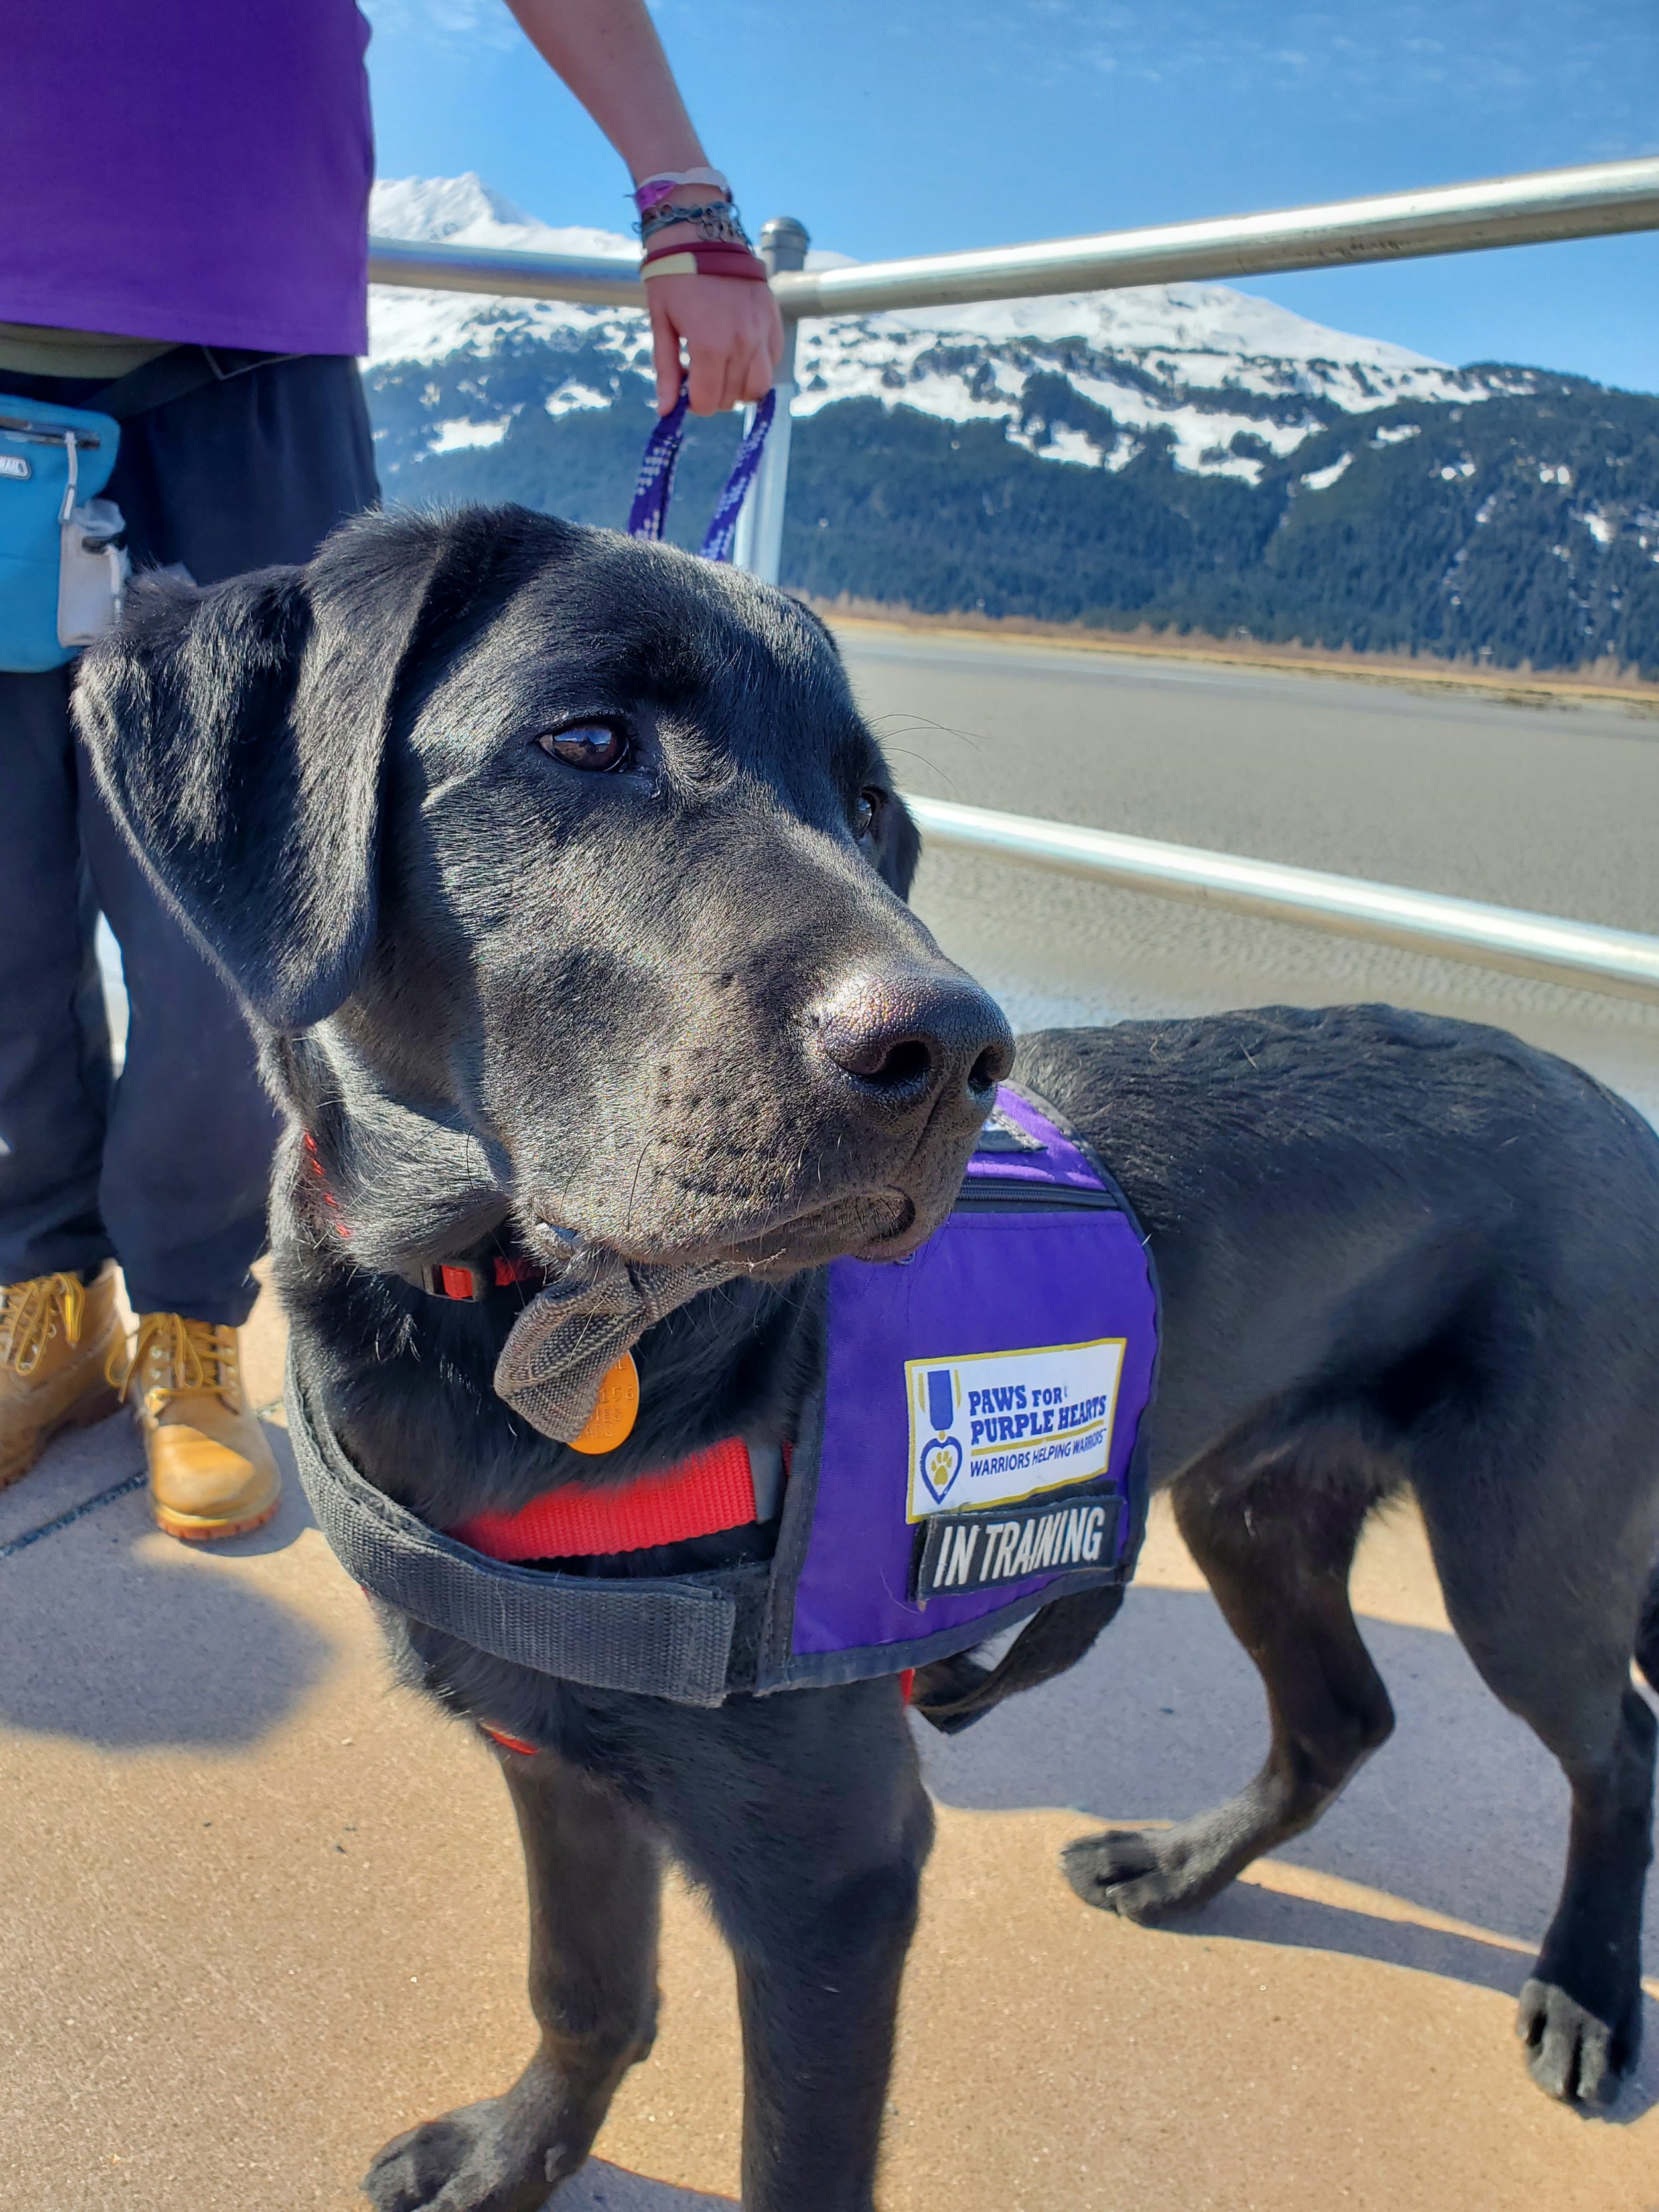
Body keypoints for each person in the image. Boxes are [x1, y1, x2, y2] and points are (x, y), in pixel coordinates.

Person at [0, 1, 782, 1539]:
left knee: (247, 907)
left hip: (240, 352)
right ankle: (36, 1292)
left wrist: (679, 196)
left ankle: (188, 1319)